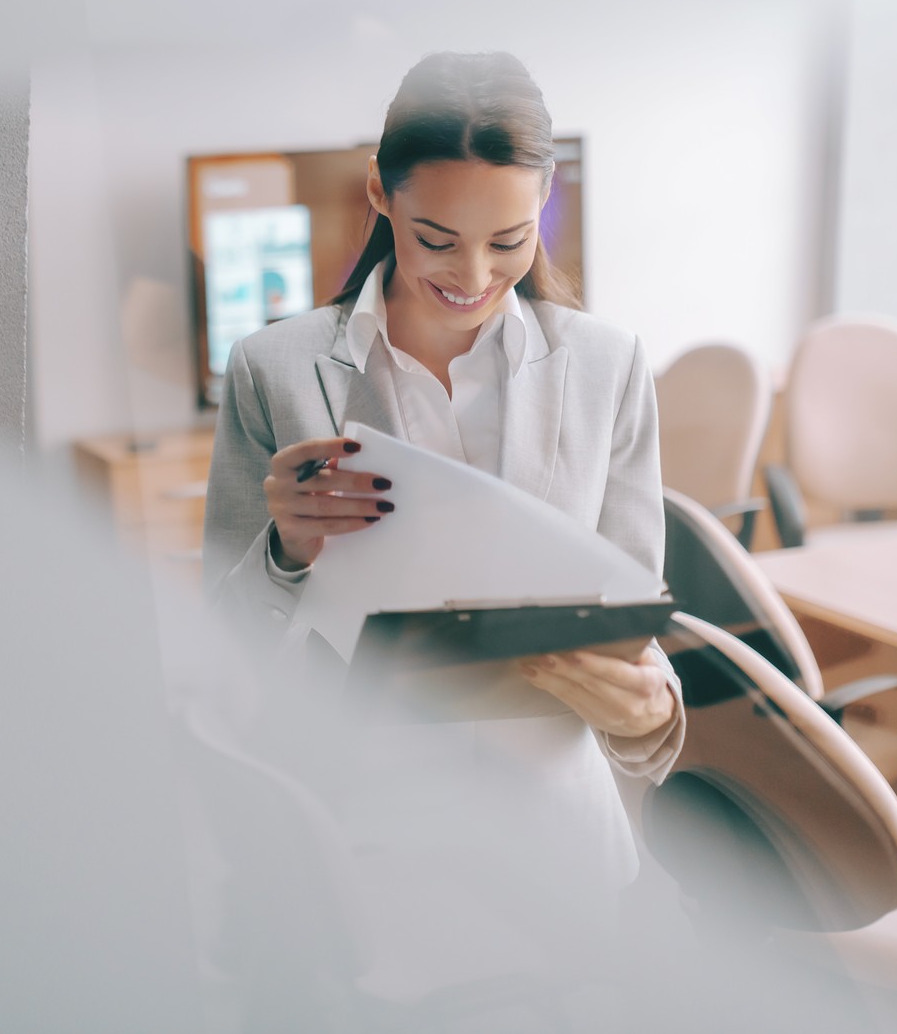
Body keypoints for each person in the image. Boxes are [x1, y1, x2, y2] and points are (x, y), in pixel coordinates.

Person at [202, 48, 684, 814]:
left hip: (554, 832)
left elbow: (630, 629)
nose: (473, 276)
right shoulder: (273, 370)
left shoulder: (608, 364)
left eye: (508, 241)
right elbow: (224, 650)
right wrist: (286, 553)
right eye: (437, 239)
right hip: (363, 823)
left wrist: (652, 712)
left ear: (545, 197)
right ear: (379, 191)